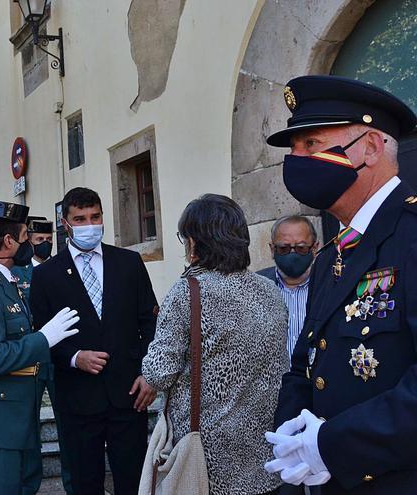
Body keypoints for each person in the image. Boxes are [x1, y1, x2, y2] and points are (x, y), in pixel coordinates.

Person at [265, 76, 417, 494]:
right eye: (293, 150)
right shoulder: (332, 254)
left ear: (369, 147)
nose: (296, 160)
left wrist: (331, 445)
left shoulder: (411, 237)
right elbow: (305, 362)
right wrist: (292, 435)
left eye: (311, 144)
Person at [142, 193, 288, 495]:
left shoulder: (187, 292)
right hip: (265, 454)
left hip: (206, 462)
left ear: (195, 242)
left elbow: (158, 373)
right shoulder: (270, 289)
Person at [29, 187, 158, 495]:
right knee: (85, 483)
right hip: (77, 398)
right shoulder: (47, 275)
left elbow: (150, 321)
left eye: (95, 217)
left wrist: (149, 372)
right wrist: (74, 357)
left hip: (129, 394)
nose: (89, 225)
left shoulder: (129, 263)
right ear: (65, 223)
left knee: (133, 481)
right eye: (80, 219)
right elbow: (41, 336)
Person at [0, 193, 80, 495]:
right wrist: (44, 338)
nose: (30, 245)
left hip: (11, 415)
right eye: (25, 237)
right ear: (9, 242)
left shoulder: (2, 281)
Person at [14, 216, 73, 495]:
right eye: (39, 240)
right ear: (29, 241)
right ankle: (30, 484)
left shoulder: (61, 268)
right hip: (32, 357)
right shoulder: (18, 271)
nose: (46, 244)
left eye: (49, 239)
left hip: (59, 357)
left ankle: (73, 482)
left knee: (68, 422)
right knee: (28, 426)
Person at [257, 215, 319, 359]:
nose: (292, 254)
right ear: (272, 249)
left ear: (315, 248)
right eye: (284, 248)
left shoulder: (329, 285)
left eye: (301, 248)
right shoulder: (255, 287)